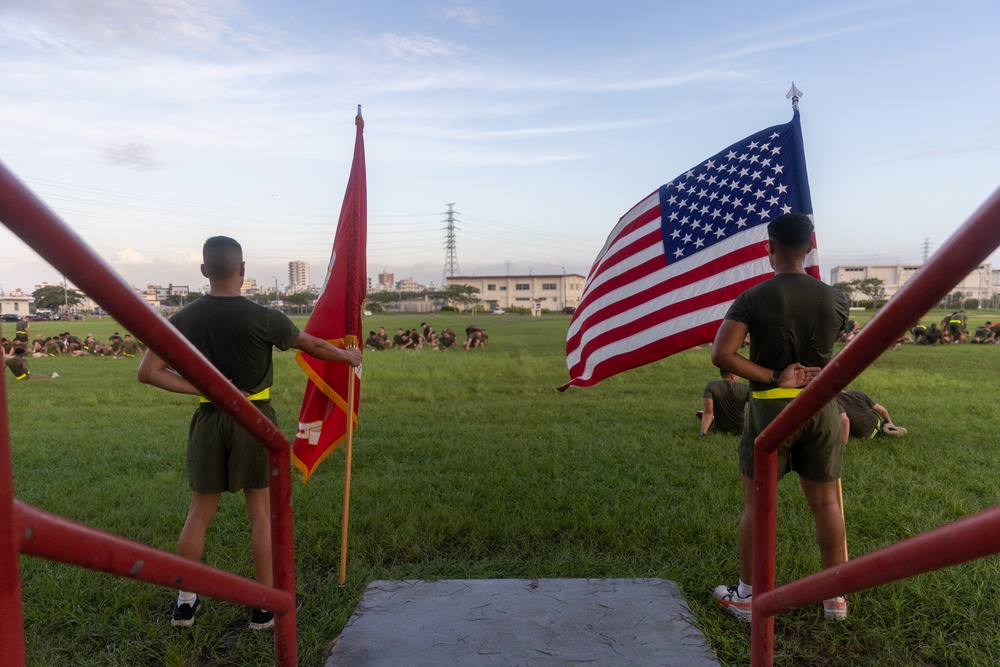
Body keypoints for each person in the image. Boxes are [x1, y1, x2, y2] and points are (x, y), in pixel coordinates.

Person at [137, 236, 362, 630]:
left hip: (209, 420)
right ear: (242, 270)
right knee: (260, 513)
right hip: (256, 419)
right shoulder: (264, 317)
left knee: (199, 513)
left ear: (204, 271)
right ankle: (263, 607)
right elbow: (312, 346)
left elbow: (148, 373)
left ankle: (185, 604)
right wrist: (349, 356)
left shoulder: (184, 318)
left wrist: (209, 388)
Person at [710, 212, 850, 622]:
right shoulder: (835, 299)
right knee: (826, 503)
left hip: (770, 407)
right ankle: (834, 598)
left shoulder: (753, 296)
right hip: (821, 408)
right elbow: (827, 351)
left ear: (769, 248)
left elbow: (723, 355)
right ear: (809, 247)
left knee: (757, 505)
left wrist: (774, 374)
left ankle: (748, 598)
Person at [835, 390, 906, 442]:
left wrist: (843, 444)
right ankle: (886, 428)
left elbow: (844, 420)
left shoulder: (834, 402)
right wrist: (889, 422)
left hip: (863, 436)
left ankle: (884, 430)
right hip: (876, 423)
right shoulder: (856, 393)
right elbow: (882, 410)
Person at [697, 369, 751, 437]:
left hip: (719, 428)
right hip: (741, 429)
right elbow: (755, 408)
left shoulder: (710, 386)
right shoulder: (746, 388)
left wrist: (702, 434)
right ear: (733, 376)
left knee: (709, 415)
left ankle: (708, 417)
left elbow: (708, 412)